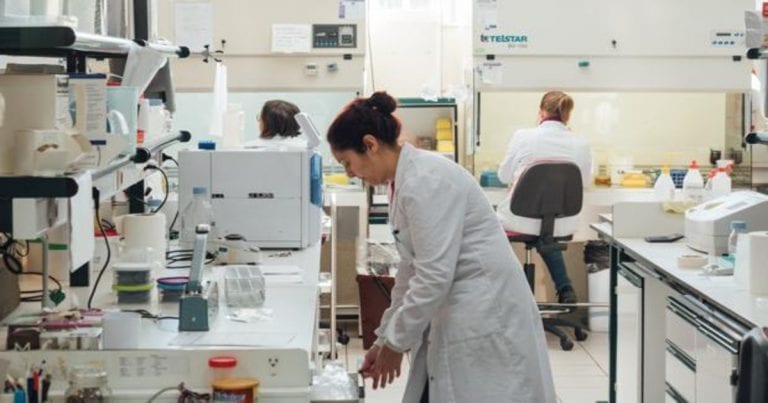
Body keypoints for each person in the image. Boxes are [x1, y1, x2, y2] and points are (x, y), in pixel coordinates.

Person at [328, 91, 555, 403]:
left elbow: (433, 275)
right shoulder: (404, 180)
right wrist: (385, 339)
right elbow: (410, 270)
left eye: (347, 163)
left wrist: (396, 343)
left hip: (484, 309)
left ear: (370, 144)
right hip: (459, 307)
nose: (349, 173)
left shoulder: (426, 180)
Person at [496, 91, 592, 304]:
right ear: (568, 115)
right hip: (562, 223)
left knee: (489, 225)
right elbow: (583, 182)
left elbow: (503, 176)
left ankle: (505, 295)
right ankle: (565, 288)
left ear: (540, 112)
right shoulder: (581, 143)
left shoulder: (523, 136)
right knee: (545, 232)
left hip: (519, 220)